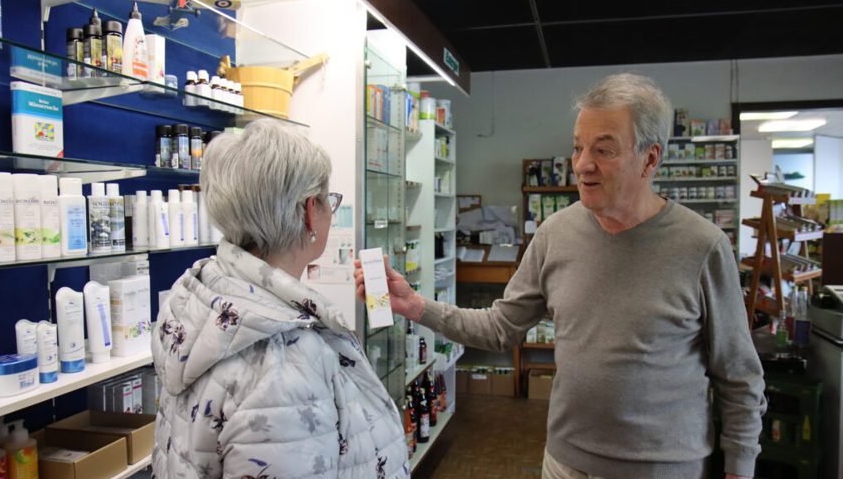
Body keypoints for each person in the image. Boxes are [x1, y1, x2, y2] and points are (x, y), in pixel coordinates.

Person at [355, 73, 766, 479]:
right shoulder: (555, 233)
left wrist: (739, 468)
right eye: (577, 148)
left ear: (650, 158)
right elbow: (502, 328)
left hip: (662, 469)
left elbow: (739, 375)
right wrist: (416, 306)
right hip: (564, 463)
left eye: (604, 150)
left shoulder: (702, 246)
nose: (583, 165)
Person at [152, 119, 408, 478]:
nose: (330, 212)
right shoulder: (285, 363)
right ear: (308, 213)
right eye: (327, 201)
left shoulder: (202, 299)